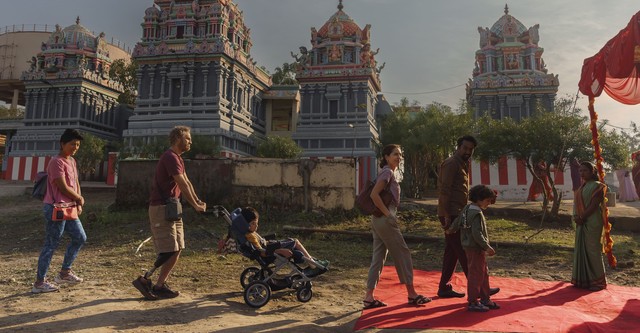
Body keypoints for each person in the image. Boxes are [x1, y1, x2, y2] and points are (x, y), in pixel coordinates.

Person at [132, 126, 207, 300]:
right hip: (161, 208)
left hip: (172, 208)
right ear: (178, 138)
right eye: (187, 138)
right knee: (168, 250)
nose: (190, 142)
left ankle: (159, 285)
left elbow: (187, 183)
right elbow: (181, 183)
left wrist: (198, 201)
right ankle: (144, 279)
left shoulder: (178, 159)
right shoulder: (170, 157)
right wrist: (195, 205)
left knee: (177, 247)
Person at [363, 144, 430, 309]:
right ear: (386, 156)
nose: (398, 157)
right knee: (403, 254)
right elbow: (374, 195)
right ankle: (412, 294)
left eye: (400, 155)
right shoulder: (387, 172)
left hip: (377, 219)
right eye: (395, 154)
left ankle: (369, 297)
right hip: (384, 219)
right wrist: (388, 214)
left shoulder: (387, 172)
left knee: (378, 258)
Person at [437, 135, 498, 299]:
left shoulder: (463, 164)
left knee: (452, 252)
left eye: (470, 149)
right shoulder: (451, 164)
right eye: (465, 148)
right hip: (452, 215)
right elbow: (444, 191)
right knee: (465, 251)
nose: (467, 151)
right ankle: (479, 288)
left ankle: (444, 287)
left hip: (458, 213)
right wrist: (446, 216)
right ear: (458, 147)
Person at [32, 129, 87, 293]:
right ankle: (39, 283)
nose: (75, 147)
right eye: (72, 144)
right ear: (62, 144)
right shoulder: (56, 162)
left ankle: (64, 272)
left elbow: (75, 183)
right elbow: (62, 186)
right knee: (51, 244)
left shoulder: (72, 161)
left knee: (80, 237)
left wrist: (78, 201)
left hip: (69, 208)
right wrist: (78, 198)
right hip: (56, 208)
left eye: (77, 145)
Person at [447, 185, 500, 312]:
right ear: (480, 199)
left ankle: (485, 298)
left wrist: (450, 230)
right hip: (475, 248)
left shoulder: (467, 208)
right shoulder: (477, 213)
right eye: (487, 200)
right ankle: (473, 302)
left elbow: (457, 222)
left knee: (482, 273)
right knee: (476, 275)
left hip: (470, 246)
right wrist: (487, 247)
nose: (489, 203)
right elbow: (477, 233)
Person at [240, 207, 329, 274]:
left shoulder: (249, 233)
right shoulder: (251, 236)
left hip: (270, 246)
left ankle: (312, 261)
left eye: (257, 223)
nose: (256, 226)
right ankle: (313, 264)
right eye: (253, 223)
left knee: (294, 244)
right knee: (295, 242)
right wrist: (281, 251)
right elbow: (261, 252)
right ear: (245, 224)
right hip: (271, 251)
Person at [571, 161, 607, 291]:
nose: (582, 173)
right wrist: (577, 218)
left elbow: (594, 205)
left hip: (592, 222)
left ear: (592, 172)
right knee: (581, 250)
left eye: (585, 170)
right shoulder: (582, 186)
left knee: (593, 251)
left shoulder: (598, 186)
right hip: (581, 222)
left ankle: (597, 282)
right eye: (580, 171)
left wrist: (582, 217)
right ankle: (584, 280)